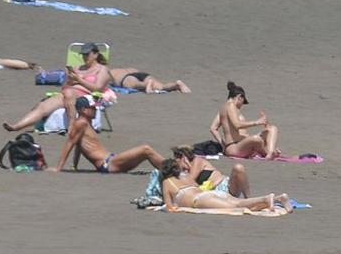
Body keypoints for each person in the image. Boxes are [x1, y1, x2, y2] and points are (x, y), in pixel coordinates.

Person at [56, 97, 165, 173]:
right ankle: (172, 169)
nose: (95, 110)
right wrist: (58, 168)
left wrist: (75, 165)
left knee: (144, 153)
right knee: (145, 149)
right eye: (93, 108)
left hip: (111, 161)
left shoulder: (86, 124)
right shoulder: (80, 123)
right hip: (108, 164)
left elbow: (78, 145)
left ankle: (171, 169)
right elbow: (70, 143)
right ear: (84, 110)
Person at [157, 159, 293, 213]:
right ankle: (278, 198)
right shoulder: (187, 177)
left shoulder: (167, 182)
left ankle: (266, 199)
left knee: (236, 208)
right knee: (241, 203)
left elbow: (169, 206)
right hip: (212, 193)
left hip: (200, 200)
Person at [70, 42, 188, 95]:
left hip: (126, 79)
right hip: (139, 72)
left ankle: (147, 85)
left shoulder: (103, 71)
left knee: (136, 85)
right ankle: (176, 84)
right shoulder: (109, 69)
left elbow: (100, 84)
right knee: (162, 86)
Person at [210, 81, 282, 159]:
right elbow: (237, 125)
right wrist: (256, 122)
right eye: (243, 102)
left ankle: (270, 152)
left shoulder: (223, 108)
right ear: (240, 97)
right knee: (256, 139)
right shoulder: (230, 105)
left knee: (272, 129)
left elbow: (213, 128)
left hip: (240, 144)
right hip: (234, 147)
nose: (242, 105)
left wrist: (223, 144)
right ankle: (269, 153)